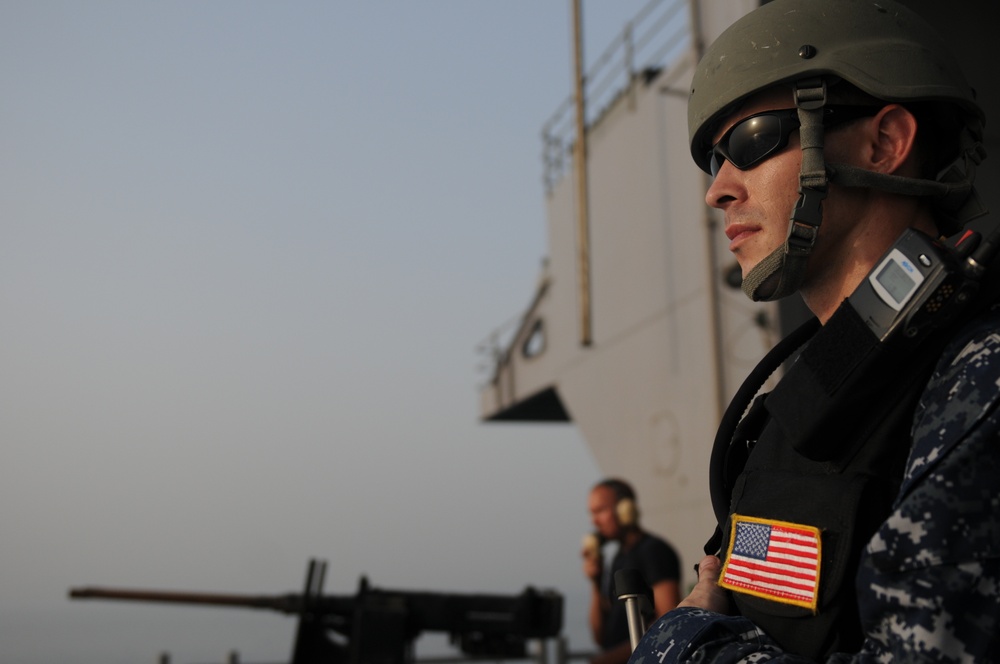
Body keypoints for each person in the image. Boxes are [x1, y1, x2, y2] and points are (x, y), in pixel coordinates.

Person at [628, 0, 999, 661]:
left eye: (751, 142)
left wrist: (683, 644)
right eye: (714, 160)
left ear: (884, 143)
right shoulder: (806, 401)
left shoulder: (982, 372)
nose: (718, 190)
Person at [583, 478, 681, 664]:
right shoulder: (618, 558)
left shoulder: (653, 551)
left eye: (600, 511)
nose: (594, 521)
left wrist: (606, 660)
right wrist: (595, 582)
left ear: (625, 509)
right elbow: (600, 637)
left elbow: (669, 622)